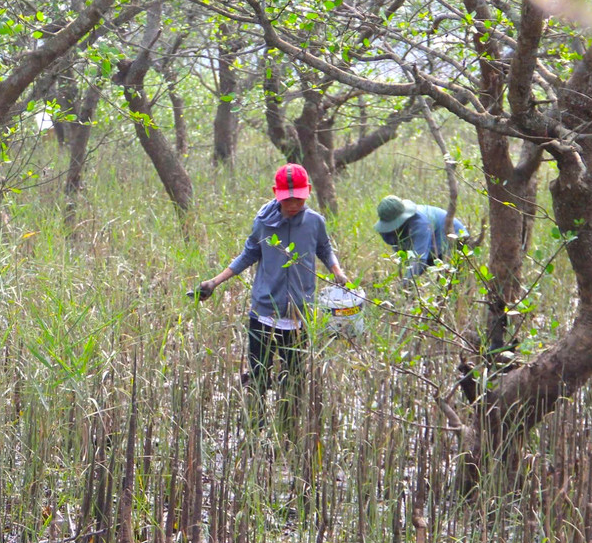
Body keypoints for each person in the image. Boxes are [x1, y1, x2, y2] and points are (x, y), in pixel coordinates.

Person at [194, 163, 350, 404]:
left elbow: (324, 248)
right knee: (258, 378)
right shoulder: (263, 222)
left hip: (299, 314)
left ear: (308, 191)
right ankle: (256, 421)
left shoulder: (315, 222)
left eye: (298, 199)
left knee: (294, 381)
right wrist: (214, 282)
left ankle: (289, 423)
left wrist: (337, 271)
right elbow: (247, 255)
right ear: (276, 193)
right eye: (287, 199)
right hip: (264, 313)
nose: (293, 205)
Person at [373, 196, 468, 281]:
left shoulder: (420, 224)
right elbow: (404, 254)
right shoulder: (388, 233)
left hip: (455, 242)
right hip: (432, 247)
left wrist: (405, 284)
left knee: (453, 281)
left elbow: (419, 260)